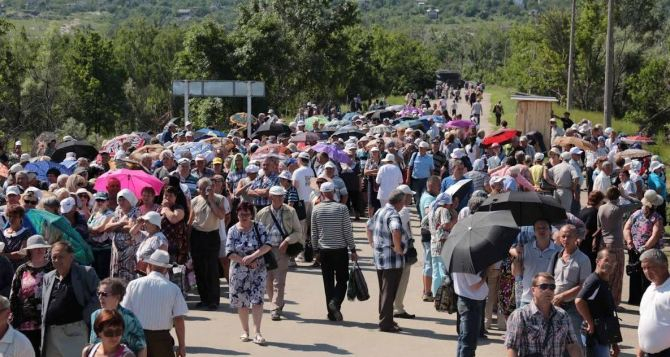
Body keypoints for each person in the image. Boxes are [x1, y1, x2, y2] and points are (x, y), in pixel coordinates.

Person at [121, 250, 187, 357]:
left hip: (137, 337)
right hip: (162, 339)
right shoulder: (173, 289)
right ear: (165, 269)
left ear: (149, 265)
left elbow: (125, 314)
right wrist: (182, 346)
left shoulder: (133, 284)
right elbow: (179, 319)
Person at [41, 241, 100, 357]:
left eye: (61, 257)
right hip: (51, 334)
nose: (57, 260)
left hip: (75, 333)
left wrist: (84, 317)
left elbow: (99, 296)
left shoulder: (85, 272)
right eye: (54, 257)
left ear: (71, 257)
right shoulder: (48, 277)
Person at [225, 202, 272, 345]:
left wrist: (253, 257)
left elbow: (268, 245)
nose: (244, 217)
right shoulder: (232, 230)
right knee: (242, 302)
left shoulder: (259, 227)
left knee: (257, 300)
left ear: (251, 214)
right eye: (241, 214)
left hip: (258, 269)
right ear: (237, 214)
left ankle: (258, 332)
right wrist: (244, 261)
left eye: (246, 214)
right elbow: (229, 252)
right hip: (238, 271)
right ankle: (245, 331)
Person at [505, 272, 581, 357]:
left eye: (552, 287)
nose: (548, 290)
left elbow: (572, 345)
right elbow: (512, 347)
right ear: (533, 290)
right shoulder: (520, 315)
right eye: (543, 287)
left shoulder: (563, 316)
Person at [311, 182, 357, 321]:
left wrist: (315, 251)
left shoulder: (316, 209)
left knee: (328, 282)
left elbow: (314, 232)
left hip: (324, 250)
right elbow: (347, 231)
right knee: (342, 280)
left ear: (322, 193)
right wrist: (353, 249)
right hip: (340, 249)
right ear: (334, 192)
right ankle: (335, 303)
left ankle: (331, 313)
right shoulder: (342, 208)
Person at [255, 186, 302, 321]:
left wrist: (287, 241)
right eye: (277, 196)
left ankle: (274, 308)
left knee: (279, 281)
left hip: (282, 250)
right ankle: (276, 303)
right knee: (268, 280)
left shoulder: (290, 211)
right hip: (266, 250)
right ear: (271, 197)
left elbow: (298, 232)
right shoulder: (262, 213)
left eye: (282, 196)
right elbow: (256, 232)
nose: (281, 198)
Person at [367, 189, 406, 332]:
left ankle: (386, 318)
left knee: (384, 291)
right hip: (391, 259)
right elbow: (396, 230)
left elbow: (368, 226)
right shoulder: (393, 214)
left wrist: (371, 243)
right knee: (389, 291)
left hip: (380, 257)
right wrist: (398, 248)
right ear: (400, 202)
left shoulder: (380, 211)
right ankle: (385, 323)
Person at [548, 224, 592, 351]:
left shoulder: (583, 259)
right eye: (563, 236)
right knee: (554, 341)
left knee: (574, 341)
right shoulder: (556, 256)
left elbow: (584, 285)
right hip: (555, 306)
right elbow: (549, 278)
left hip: (573, 307)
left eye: (569, 236)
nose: (565, 239)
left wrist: (562, 296)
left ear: (576, 238)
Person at [9, 235, 53, 355]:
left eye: (41, 247)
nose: (39, 250)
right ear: (29, 251)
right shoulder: (21, 270)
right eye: (36, 248)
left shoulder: (52, 267)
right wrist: (13, 316)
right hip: (25, 322)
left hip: (48, 321)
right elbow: (14, 295)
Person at [597, 186, 640, 306]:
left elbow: (598, 226)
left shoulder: (601, 208)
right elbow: (638, 203)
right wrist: (625, 196)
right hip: (616, 244)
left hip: (604, 243)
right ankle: (614, 302)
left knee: (604, 273)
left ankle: (603, 300)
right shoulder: (618, 209)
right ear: (618, 196)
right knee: (616, 275)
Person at [189, 177, 227, 310]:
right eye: (201, 188)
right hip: (197, 235)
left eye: (207, 188)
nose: (204, 190)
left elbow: (221, 215)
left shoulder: (219, 199)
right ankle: (204, 298)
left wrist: (210, 200)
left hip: (212, 235)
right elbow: (191, 219)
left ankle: (213, 301)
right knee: (199, 269)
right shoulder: (194, 200)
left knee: (212, 269)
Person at [575, 249, 621, 357]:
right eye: (606, 260)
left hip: (604, 334)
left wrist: (614, 342)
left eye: (613, 261)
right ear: (597, 261)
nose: (610, 264)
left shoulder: (604, 281)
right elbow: (579, 301)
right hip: (594, 336)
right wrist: (589, 321)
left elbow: (607, 312)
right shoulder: (594, 281)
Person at [624, 189, 664, 305]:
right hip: (644, 250)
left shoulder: (640, 215)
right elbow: (627, 228)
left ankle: (638, 299)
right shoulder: (655, 217)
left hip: (642, 250)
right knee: (642, 274)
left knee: (641, 274)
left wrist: (635, 244)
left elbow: (655, 235)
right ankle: (640, 300)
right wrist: (630, 242)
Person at [89, 278, 146, 357]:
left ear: (117, 297)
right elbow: (93, 342)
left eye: (104, 294)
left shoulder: (129, 318)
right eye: (99, 293)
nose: (100, 297)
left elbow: (142, 347)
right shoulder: (95, 315)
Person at [637, 248, 670, 357]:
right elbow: (644, 321)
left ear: (664, 265)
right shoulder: (649, 289)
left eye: (650, 267)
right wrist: (640, 350)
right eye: (644, 268)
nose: (646, 272)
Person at [105, 189, 140, 282]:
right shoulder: (117, 211)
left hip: (129, 252)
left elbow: (131, 228)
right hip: (116, 252)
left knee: (128, 277)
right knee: (116, 279)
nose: (121, 202)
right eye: (119, 200)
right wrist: (120, 224)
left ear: (130, 200)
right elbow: (107, 228)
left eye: (124, 199)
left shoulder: (135, 211)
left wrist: (115, 227)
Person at [393, 185, 416, 319]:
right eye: (410, 196)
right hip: (403, 248)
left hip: (397, 247)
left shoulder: (392, 209)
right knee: (402, 280)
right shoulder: (404, 211)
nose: (411, 198)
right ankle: (398, 308)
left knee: (396, 279)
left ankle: (395, 306)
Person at [453, 267, 488, 356]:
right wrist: (485, 276)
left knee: (464, 339)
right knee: (468, 342)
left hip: (467, 300)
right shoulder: (467, 265)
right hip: (471, 303)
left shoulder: (461, 260)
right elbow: (474, 285)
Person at [419, 176, 440, 301]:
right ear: (432, 186)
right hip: (428, 233)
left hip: (426, 232)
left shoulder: (426, 195)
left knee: (428, 262)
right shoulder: (429, 198)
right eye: (438, 186)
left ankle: (425, 289)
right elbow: (428, 212)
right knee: (429, 263)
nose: (439, 189)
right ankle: (427, 292)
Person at [159, 185, 189, 266]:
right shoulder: (158, 209)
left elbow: (174, 219)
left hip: (174, 247)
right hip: (160, 245)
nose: (167, 198)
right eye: (166, 195)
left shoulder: (179, 208)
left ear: (175, 197)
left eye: (170, 196)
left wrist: (166, 208)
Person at [87, 192, 114, 279]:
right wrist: (92, 230)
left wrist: (90, 230)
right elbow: (89, 229)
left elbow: (100, 230)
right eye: (98, 200)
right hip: (93, 249)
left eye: (102, 200)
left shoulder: (110, 214)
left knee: (102, 276)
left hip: (104, 250)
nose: (99, 202)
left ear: (107, 201)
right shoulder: (94, 214)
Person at [578, 190, 605, 270]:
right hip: (588, 245)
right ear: (599, 201)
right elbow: (586, 229)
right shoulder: (594, 212)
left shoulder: (584, 210)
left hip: (582, 245)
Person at [407, 142, 434, 213]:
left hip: (425, 181)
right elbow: (410, 167)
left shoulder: (430, 157)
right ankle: (420, 215)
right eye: (419, 147)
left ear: (426, 149)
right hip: (415, 181)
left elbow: (431, 170)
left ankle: (422, 216)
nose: (420, 149)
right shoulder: (414, 155)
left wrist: (432, 181)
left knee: (423, 199)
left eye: (422, 148)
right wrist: (408, 178)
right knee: (417, 200)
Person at [1, 204, 31, 269]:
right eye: (10, 216)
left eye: (15, 216)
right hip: (3, 268)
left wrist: (3, 255)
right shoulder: (2, 232)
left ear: (21, 218)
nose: (11, 219)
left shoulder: (26, 233)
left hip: (18, 269)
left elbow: (22, 254)